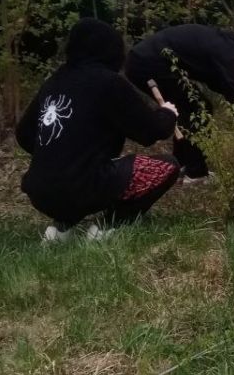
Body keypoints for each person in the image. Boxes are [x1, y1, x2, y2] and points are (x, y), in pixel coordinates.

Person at [16, 18, 181, 243]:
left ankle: (62, 228)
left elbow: (24, 134)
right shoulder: (108, 82)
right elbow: (151, 131)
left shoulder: (54, 82)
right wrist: (168, 113)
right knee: (167, 166)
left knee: (77, 173)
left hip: (39, 191)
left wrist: (56, 155)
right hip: (83, 186)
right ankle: (108, 225)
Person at [126, 24, 234, 183]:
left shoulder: (228, 48)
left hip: (146, 61)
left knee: (191, 108)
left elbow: (216, 81)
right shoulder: (228, 55)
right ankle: (195, 172)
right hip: (148, 64)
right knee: (197, 108)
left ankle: (179, 165)